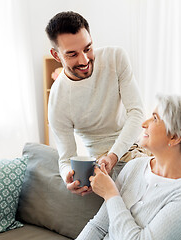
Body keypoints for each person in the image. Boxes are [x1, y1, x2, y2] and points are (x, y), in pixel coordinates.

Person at [77, 95, 181, 240]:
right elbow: (98, 226)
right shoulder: (135, 167)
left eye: (155, 118)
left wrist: (110, 194)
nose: (144, 124)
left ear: (175, 137)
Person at [45, 11, 148, 196]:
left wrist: (114, 155)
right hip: (104, 161)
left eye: (87, 48)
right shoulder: (57, 99)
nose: (84, 60)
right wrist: (68, 176)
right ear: (56, 55)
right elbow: (65, 159)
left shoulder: (115, 58)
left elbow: (137, 112)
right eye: (72, 54)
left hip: (138, 144)